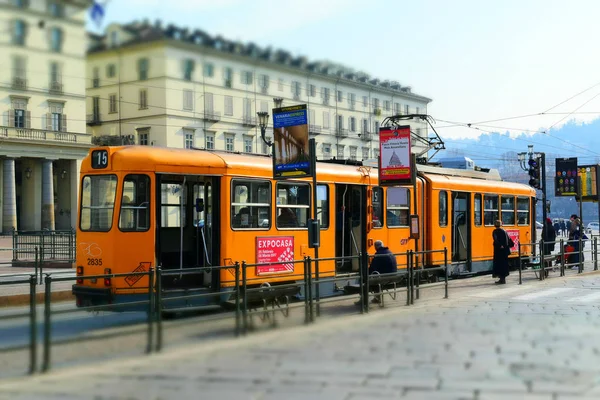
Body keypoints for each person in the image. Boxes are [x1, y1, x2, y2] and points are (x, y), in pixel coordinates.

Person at [492, 220, 512, 284]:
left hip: (498, 251)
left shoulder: (495, 231)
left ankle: (501, 279)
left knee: (499, 264)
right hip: (505, 251)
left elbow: (496, 240)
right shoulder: (504, 231)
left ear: (495, 225)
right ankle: (503, 279)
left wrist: (500, 246)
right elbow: (507, 240)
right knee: (504, 265)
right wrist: (504, 246)